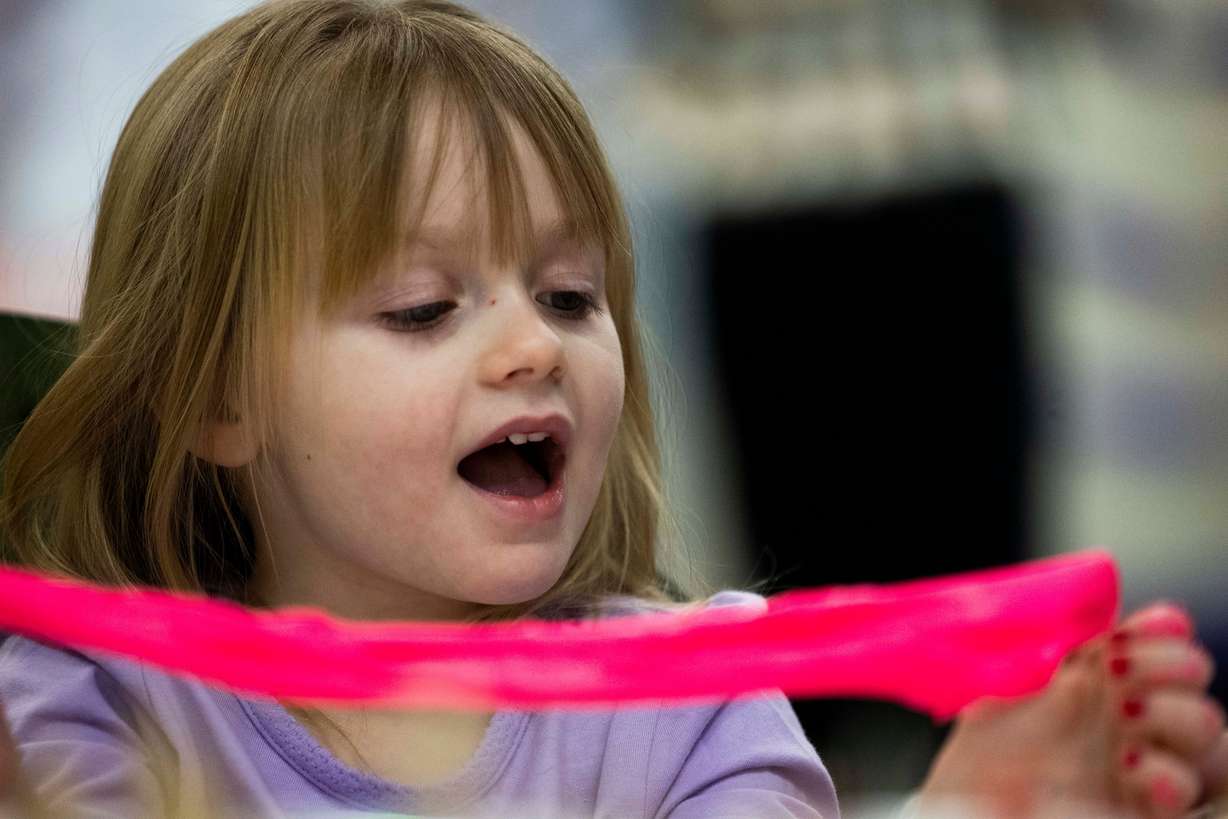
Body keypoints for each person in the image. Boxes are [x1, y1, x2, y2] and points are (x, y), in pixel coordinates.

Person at [0, 1, 1222, 816]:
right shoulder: (95, 702)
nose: (534, 345)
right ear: (217, 403)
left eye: (570, 296)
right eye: (424, 309)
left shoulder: (693, 699)